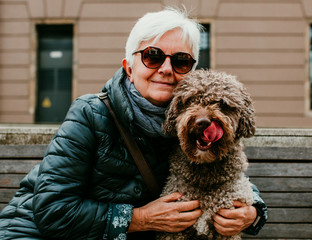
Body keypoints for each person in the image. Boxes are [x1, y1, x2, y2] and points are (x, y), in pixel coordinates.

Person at [0, 7, 267, 240]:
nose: (166, 68)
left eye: (180, 60)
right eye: (152, 56)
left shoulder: (193, 123)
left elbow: (225, 170)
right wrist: (139, 219)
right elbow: (51, 211)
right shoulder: (89, 114)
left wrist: (252, 211)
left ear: (191, 72)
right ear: (129, 67)